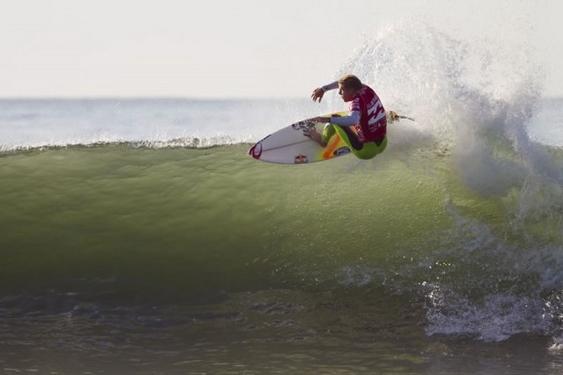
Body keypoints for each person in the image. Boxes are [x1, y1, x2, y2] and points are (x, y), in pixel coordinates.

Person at [308, 74, 396, 160]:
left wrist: (325, 119)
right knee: (361, 115)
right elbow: (342, 83)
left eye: (342, 90)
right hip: (383, 144)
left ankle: (322, 140)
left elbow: (353, 120)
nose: (339, 93)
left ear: (351, 90)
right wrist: (324, 89)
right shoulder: (366, 88)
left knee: (336, 118)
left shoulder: (356, 102)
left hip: (365, 151)